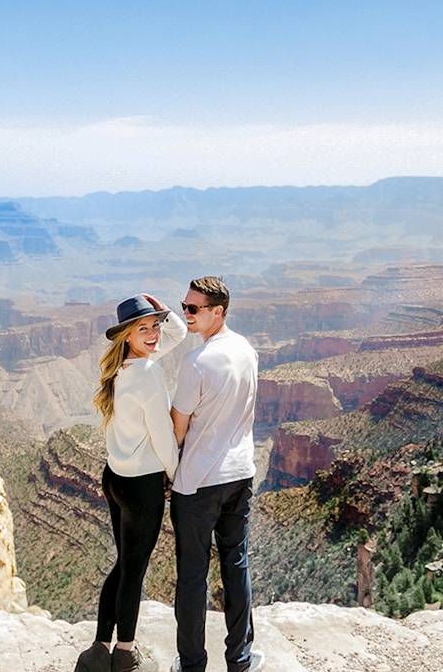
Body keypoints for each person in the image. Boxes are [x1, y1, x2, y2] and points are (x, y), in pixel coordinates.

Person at [75, 293, 187, 672]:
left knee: (124, 565)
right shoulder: (149, 373)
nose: (154, 333)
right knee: (133, 572)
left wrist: (162, 313)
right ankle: (125, 654)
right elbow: (162, 434)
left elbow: (176, 336)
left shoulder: (121, 367)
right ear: (126, 334)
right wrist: (176, 475)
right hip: (142, 487)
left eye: (155, 325)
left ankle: (98, 650)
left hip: (115, 479)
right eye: (144, 328)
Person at [168, 276, 263, 672]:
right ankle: (239, 659)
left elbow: (178, 426)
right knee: (235, 563)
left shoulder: (196, 363)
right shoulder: (247, 350)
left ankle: (192, 665)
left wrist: (168, 473)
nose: (186, 314)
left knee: (192, 575)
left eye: (194, 309)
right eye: (184, 307)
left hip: (199, 483)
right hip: (240, 475)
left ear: (217, 311)